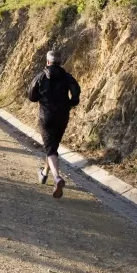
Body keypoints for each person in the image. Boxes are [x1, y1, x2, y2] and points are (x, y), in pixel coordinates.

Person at [27, 50, 81, 199]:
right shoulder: (68, 77)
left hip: (46, 117)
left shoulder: (41, 76)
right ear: (60, 62)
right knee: (52, 147)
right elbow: (76, 95)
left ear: (47, 62)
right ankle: (44, 174)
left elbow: (32, 96)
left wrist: (42, 97)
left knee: (50, 149)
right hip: (62, 117)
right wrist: (69, 103)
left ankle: (57, 177)